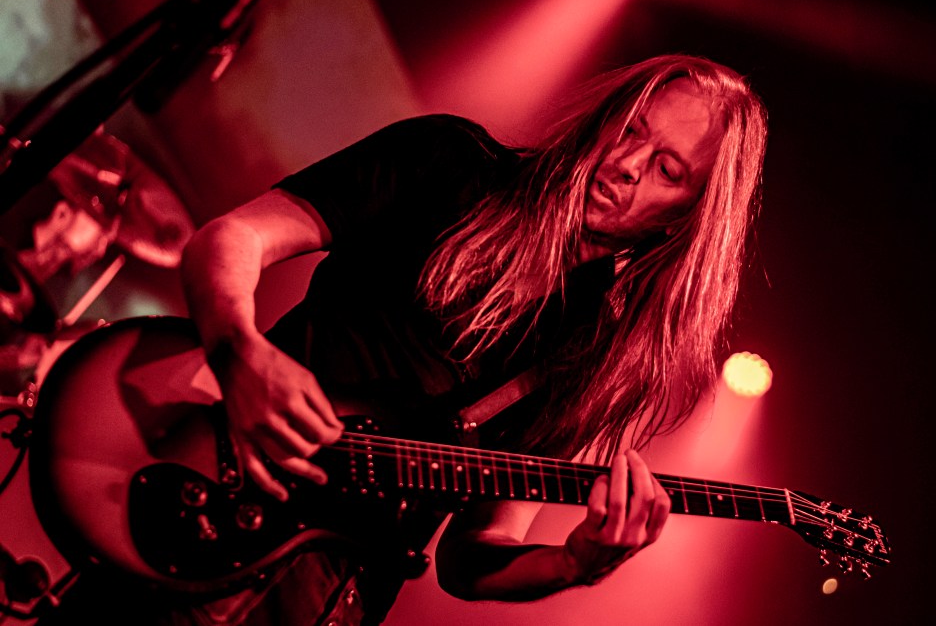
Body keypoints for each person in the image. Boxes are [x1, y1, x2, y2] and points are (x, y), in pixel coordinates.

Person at [36, 53, 767, 625]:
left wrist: (575, 563)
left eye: (666, 169)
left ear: (685, 220)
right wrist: (240, 354)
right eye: (632, 127)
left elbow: (473, 555)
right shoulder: (447, 164)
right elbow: (231, 238)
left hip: (320, 601)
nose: (626, 165)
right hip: (201, 505)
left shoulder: (598, 356)